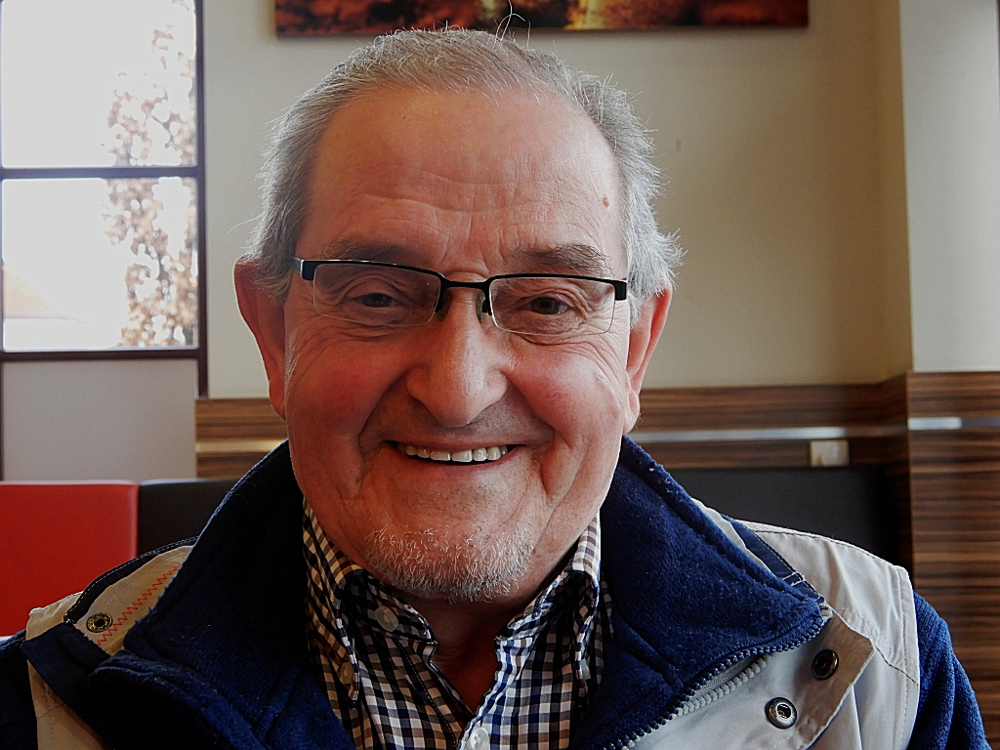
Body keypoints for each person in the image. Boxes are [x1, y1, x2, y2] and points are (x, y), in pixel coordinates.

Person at [0, 28, 989, 750]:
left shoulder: (879, 670)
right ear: (273, 331)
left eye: (548, 302)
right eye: (379, 294)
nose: (459, 390)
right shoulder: (49, 700)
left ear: (634, 350)